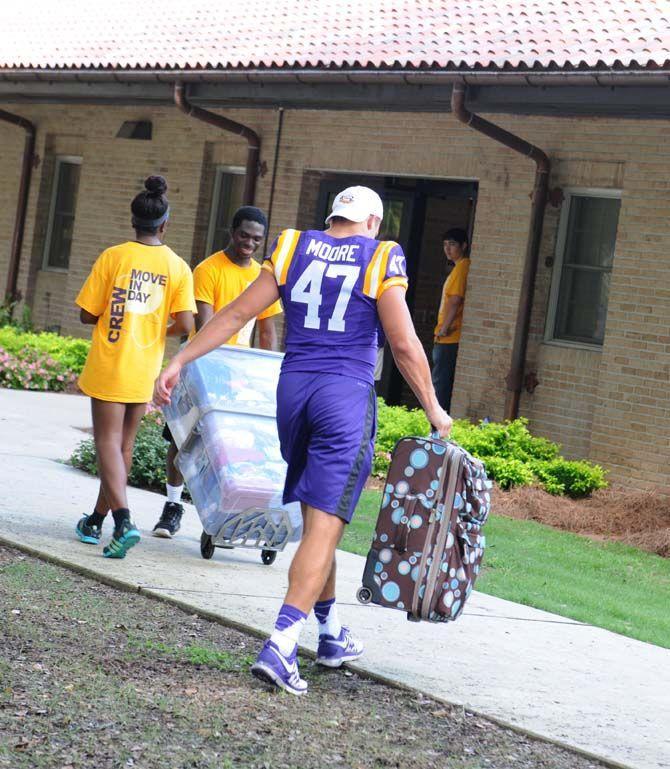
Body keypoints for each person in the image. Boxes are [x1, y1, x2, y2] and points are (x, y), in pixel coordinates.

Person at [154, 185, 452, 695]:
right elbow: (402, 342)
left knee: (319, 517)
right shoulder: (384, 254)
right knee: (324, 525)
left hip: (292, 393)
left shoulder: (292, 243)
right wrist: (434, 409)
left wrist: (180, 360)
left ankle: (331, 633)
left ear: (333, 217)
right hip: (344, 396)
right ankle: (282, 642)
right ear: (374, 222)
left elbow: (235, 315)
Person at [75, 176, 196, 558]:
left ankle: (124, 520)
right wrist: (156, 325)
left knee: (106, 443)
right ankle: (96, 520)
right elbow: (187, 325)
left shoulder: (114, 257)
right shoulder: (177, 266)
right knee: (123, 447)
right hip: (145, 366)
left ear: (134, 221)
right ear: (165, 224)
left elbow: (85, 313)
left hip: (111, 361)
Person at [152, 206, 282, 538]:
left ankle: (227, 515)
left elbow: (268, 331)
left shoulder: (262, 276)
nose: (249, 244)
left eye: (256, 239)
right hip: (205, 370)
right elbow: (206, 326)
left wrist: (269, 378)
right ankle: (172, 505)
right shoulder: (209, 269)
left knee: (236, 447)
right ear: (231, 232)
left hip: (243, 375)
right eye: (244, 235)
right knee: (183, 439)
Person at [432, 227, 470, 412]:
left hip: (449, 336)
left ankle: (436, 428)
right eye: (445, 245)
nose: (447, 249)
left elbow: (455, 300)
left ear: (464, 246)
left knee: (441, 385)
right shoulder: (458, 267)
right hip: (446, 336)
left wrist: (444, 328)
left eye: (452, 244)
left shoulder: (462, 266)